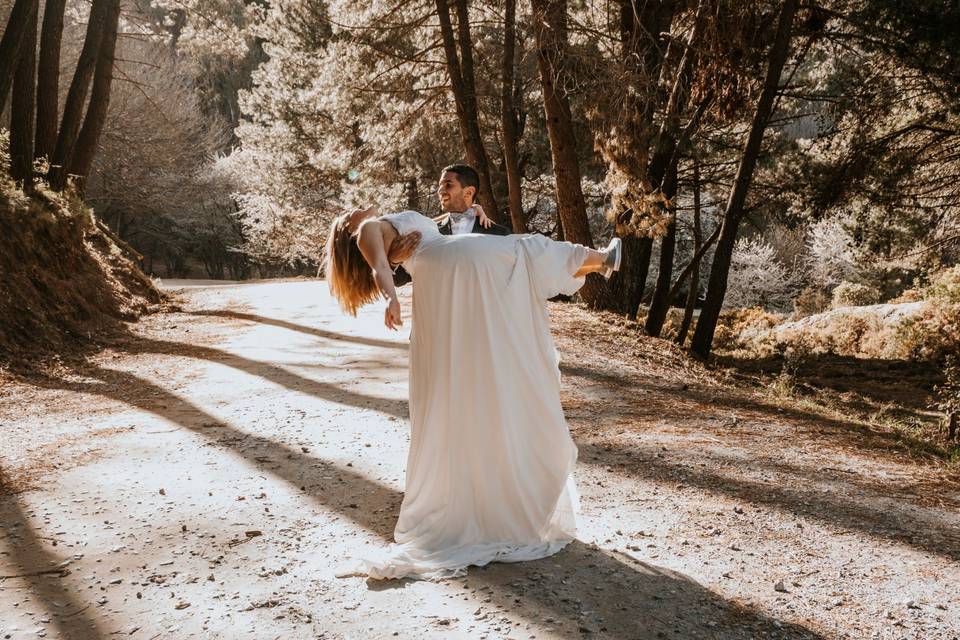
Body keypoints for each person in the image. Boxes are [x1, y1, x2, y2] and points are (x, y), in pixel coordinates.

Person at [325, 203, 621, 580]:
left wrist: (459, 217)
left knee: (523, 260)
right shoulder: (366, 228)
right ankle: (603, 259)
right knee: (526, 250)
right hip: (455, 267)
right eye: (349, 212)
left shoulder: (382, 227)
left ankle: (602, 260)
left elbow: (402, 251)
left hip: (449, 270)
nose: (356, 207)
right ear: (346, 228)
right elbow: (380, 268)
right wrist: (391, 298)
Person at [387, 164, 510, 288]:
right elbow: (397, 280)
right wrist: (393, 261)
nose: (440, 191)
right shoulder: (428, 233)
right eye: (440, 186)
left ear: (469, 192)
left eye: (448, 184)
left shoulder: (500, 235)